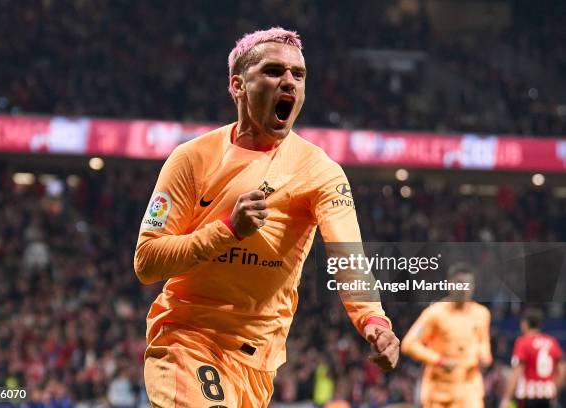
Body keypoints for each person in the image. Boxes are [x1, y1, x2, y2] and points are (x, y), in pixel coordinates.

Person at [134, 27, 399, 407]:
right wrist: (226, 230)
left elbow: (348, 257)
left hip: (259, 361)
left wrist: (373, 320)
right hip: (186, 339)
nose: (289, 81)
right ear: (238, 85)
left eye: (299, 75)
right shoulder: (191, 159)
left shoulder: (320, 171)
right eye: (274, 71)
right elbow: (146, 262)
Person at [401, 263, 492, 408]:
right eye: (460, 284)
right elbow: (409, 344)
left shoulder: (481, 314)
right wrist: (438, 361)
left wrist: (485, 356)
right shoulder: (434, 313)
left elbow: (483, 343)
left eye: (469, 284)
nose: (464, 289)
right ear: (449, 284)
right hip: (439, 392)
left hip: (469, 389)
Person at [499, 308, 565, 408]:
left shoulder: (523, 342)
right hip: (547, 395)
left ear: (525, 324)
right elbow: (562, 370)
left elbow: (517, 371)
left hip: (528, 396)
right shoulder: (552, 342)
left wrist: (506, 398)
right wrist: (553, 389)